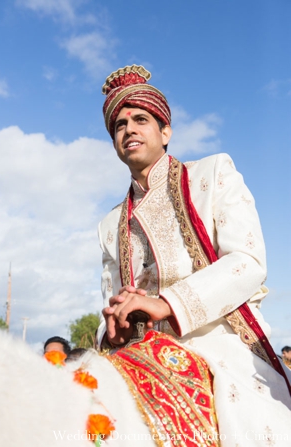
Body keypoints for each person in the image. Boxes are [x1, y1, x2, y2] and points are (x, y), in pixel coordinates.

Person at [97, 65, 291, 445]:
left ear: (165, 131)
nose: (129, 129)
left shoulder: (212, 173)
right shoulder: (109, 225)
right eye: (119, 125)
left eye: (140, 119)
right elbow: (109, 296)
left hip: (222, 343)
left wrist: (167, 304)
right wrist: (113, 328)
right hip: (139, 352)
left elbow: (248, 262)